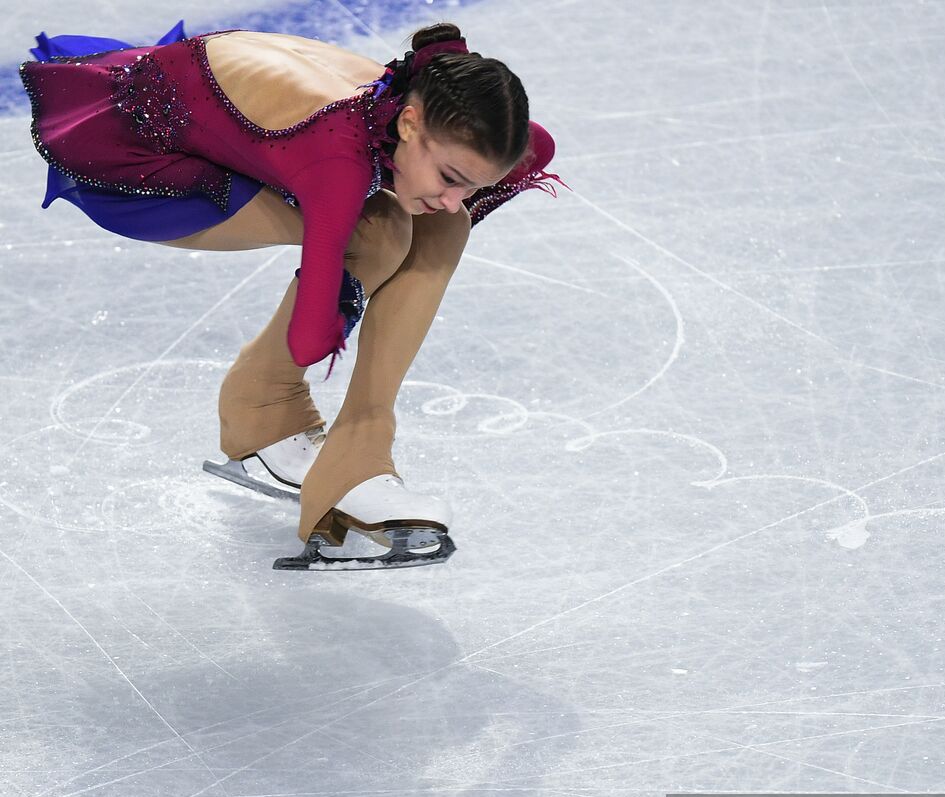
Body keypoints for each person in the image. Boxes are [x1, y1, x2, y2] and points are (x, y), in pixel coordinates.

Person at [19, 20, 561, 569]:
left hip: (232, 116)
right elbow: (310, 338)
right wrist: (349, 304)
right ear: (411, 121)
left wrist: (444, 204)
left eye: (471, 181)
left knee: (442, 224)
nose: (455, 195)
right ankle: (334, 449)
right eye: (449, 176)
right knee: (381, 232)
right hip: (138, 159)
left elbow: (528, 152)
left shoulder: (421, 117)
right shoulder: (335, 154)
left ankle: (265, 415)